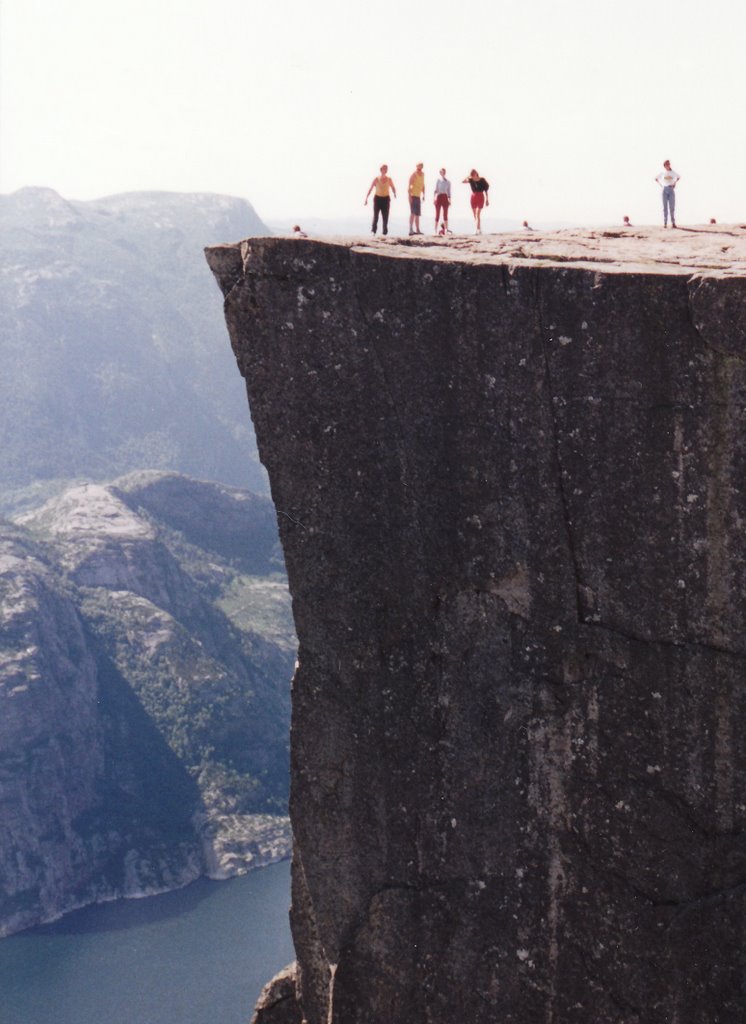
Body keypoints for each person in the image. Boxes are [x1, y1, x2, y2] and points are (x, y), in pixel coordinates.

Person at [365, 165, 397, 236]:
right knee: (376, 215)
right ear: (381, 170)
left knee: (385, 216)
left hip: (386, 199)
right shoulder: (376, 179)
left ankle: (384, 232)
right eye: (384, 168)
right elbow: (370, 188)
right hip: (377, 199)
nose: (386, 170)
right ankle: (373, 231)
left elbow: (393, 187)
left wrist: (394, 193)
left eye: (387, 169)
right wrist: (366, 198)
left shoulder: (389, 179)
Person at [655, 160, 680, 228]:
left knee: (672, 207)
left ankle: (673, 223)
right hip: (664, 189)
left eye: (668, 164)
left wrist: (674, 183)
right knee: (665, 207)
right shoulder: (662, 173)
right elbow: (656, 178)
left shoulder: (673, 172)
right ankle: (665, 223)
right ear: (664, 166)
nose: (668, 166)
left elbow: (678, 177)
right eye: (666, 165)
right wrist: (661, 185)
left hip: (671, 189)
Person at [408, 163, 425, 235]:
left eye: (421, 166)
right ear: (416, 166)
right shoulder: (414, 174)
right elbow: (409, 185)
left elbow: (423, 184)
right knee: (412, 213)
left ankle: (418, 230)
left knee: (417, 214)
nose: (420, 167)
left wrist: (424, 194)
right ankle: (411, 229)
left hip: (418, 196)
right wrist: (409, 196)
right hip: (413, 196)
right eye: (419, 166)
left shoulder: (423, 174)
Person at [433, 168, 451, 235]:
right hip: (439, 196)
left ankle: (446, 230)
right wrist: (434, 198)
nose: (443, 173)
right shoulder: (438, 180)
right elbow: (436, 190)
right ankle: (435, 230)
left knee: (445, 214)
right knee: (437, 214)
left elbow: (449, 192)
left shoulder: (448, 182)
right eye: (441, 172)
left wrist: (449, 200)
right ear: (440, 173)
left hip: (445, 197)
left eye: (444, 172)